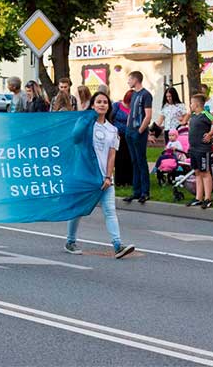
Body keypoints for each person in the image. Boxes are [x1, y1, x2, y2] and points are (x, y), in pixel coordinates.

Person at [65, 91, 135, 259]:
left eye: (105, 102)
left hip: (104, 178)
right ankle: (70, 241)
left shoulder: (112, 130)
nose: (102, 104)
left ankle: (118, 245)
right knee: (78, 211)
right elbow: (75, 139)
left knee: (110, 211)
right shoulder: (85, 123)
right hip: (85, 176)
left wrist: (108, 177)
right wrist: (85, 120)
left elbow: (112, 155)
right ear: (93, 105)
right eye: (99, 102)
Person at [186, 93, 213, 209]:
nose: (190, 105)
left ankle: (208, 198)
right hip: (194, 148)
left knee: (205, 173)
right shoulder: (193, 116)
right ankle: (198, 198)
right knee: (197, 172)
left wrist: (210, 134)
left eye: (191, 103)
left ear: (196, 104)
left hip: (202, 149)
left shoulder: (205, 114)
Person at [123, 71, 153, 204]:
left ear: (136, 79)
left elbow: (148, 115)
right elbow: (131, 113)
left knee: (141, 161)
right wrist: (127, 127)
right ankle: (136, 191)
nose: (128, 82)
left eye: (130, 79)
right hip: (129, 131)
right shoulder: (134, 94)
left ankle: (145, 192)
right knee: (134, 161)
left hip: (138, 132)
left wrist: (140, 130)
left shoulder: (146, 95)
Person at [111, 90, 133, 186]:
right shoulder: (117, 106)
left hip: (129, 135)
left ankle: (129, 180)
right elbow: (110, 118)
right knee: (120, 158)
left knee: (129, 158)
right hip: (118, 135)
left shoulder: (133, 108)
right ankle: (120, 181)